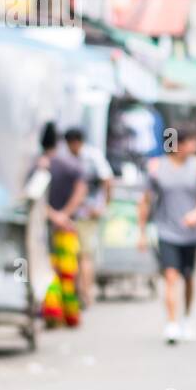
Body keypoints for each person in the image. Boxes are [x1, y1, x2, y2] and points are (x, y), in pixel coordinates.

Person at [138, 124, 196, 345]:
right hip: (166, 231)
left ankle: (188, 317)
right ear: (178, 144)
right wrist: (141, 232)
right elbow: (144, 201)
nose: (195, 145)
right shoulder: (156, 168)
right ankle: (172, 323)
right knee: (170, 276)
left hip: (191, 233)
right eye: (190, 141)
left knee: (188, 277)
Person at [39, 124, 87, 328]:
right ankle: (71, 316)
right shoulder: (70, 164)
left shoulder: (40, 165)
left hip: (45, 228)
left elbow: (34, 198)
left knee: (49, 271)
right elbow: (81, 190)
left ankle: (53, 313)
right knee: (68, 272)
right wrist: (65, 214)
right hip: (68, 227)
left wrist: (52, 215)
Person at [64, 128, 113, 307]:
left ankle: (85, 293)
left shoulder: (91, 157)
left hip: (86, 213)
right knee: (79, 254)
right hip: (74, 214)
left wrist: (103, 206)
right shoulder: (72, 159)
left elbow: (107, 180)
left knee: (84, 255)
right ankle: (81, 293)